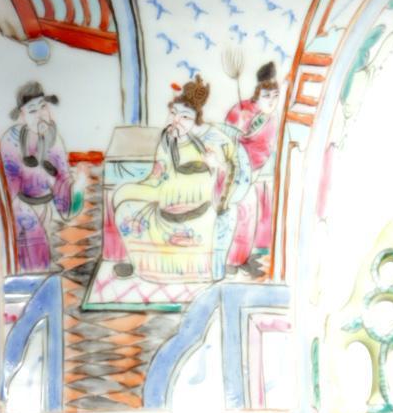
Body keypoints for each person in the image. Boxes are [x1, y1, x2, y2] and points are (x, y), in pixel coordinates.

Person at [110, 78, 242, 283]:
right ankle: (139, 266)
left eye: (185, 116)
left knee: (230, 214)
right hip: (166, 207)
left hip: (202, 212)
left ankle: (212, 268)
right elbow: (157, 178)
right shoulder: (167, 141)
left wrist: (217, 165)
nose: (176, 120)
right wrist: (127, 192)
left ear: (197, 119)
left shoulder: (214, 140)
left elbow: (233, 171)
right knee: (124, 206)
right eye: (174, 113)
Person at [0, 81, 72, 273]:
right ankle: (35, 270)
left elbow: (63, 175)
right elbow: (9, 182)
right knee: (32, 237)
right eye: (32, 111)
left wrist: (68, 186)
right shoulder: (11, 140)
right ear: (22, 115)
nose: (40, 114)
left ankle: (40, 267)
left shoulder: (55, 139)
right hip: (22, 203)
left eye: (43, 107)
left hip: (46, 202)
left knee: (44, 239)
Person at [226, 60, 282, 274]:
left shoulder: (272, 118)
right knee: (242, 217)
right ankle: (232, 261)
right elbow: (227, 138)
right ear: (257, 94)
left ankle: (248, 257)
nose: (272, 101)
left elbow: (268, 147)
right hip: (238, 171)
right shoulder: (241, 110)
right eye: (266, 96)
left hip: (260, 171)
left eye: (275, 96)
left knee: (258, 217)